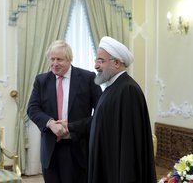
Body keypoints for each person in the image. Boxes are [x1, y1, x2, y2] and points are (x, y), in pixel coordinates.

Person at [66, 36, 156, 183]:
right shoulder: (112, 88)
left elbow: (130, 146)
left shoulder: (128, 90)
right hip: (107, 167)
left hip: (117, 172)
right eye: (96, 60)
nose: (96, 65)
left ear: (116, 63)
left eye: (101, 61)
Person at [27, 40, 102, 183]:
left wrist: (72, 126)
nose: (55, 63)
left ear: (69, 59)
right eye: (52, 59)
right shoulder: (41, 80)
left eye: (59, 59)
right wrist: (50, 123)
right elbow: (32, 109)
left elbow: (100, 113)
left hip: (78, 148)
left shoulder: (88, 78)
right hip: (50, 149)